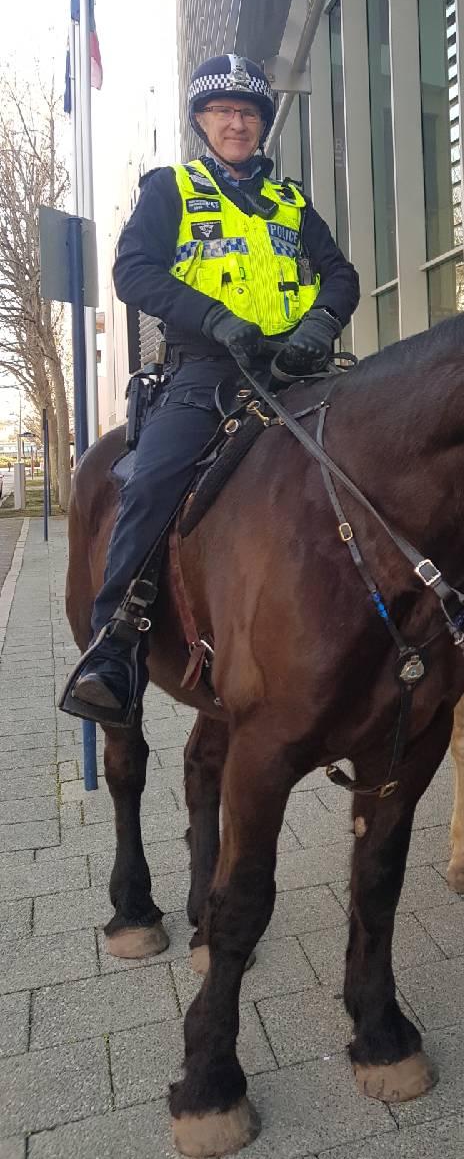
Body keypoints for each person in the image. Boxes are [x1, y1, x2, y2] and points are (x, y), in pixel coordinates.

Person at [60, 54, 360, 726]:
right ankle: (115, 643)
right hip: (209, 372)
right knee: (153, 480)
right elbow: (133, 270)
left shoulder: (292, 202)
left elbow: (342, 275)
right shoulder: (171, 189)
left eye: (248, 114)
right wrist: (214, 318)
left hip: (299, 371)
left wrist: (318, 324)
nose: (236, 123)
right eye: (223, 112)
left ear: (262, 125)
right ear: (202, 121)